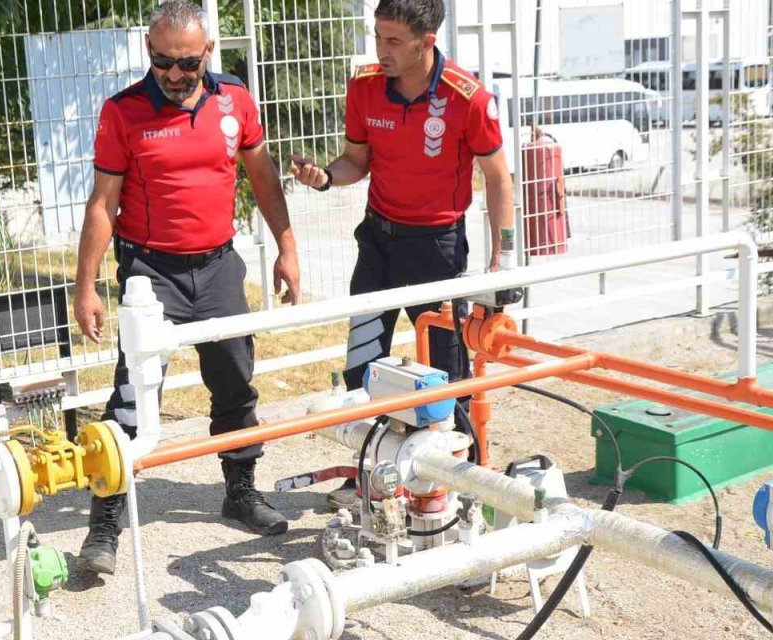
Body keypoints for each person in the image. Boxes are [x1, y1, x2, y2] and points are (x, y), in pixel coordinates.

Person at [72, 0, 301, 575]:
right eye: (161, 62)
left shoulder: (235, 101)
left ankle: (241, 491)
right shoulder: (122, 112)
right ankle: (103, 526)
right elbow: (103, 204)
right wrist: (86, 287)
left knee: (234, 379)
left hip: (219, 265)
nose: (173, 75)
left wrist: (288, 247)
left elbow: (263, 178)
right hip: (151, 273)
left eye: (186, 64)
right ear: (150, 52)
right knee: (133, 395)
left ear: (207, 54)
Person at [291, 0, 513, 505]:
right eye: (377, 37)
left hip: (437, 249)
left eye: (393, 41)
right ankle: (370, 476)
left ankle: (464, 484)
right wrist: (325, 177)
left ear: (426, 41)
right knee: (361, 365)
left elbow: (499, 177)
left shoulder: (468, 96)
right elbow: (354, 162)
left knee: (446, 376)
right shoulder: (365, 85)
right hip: (378, 244)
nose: (381, 50)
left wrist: (504, 259)